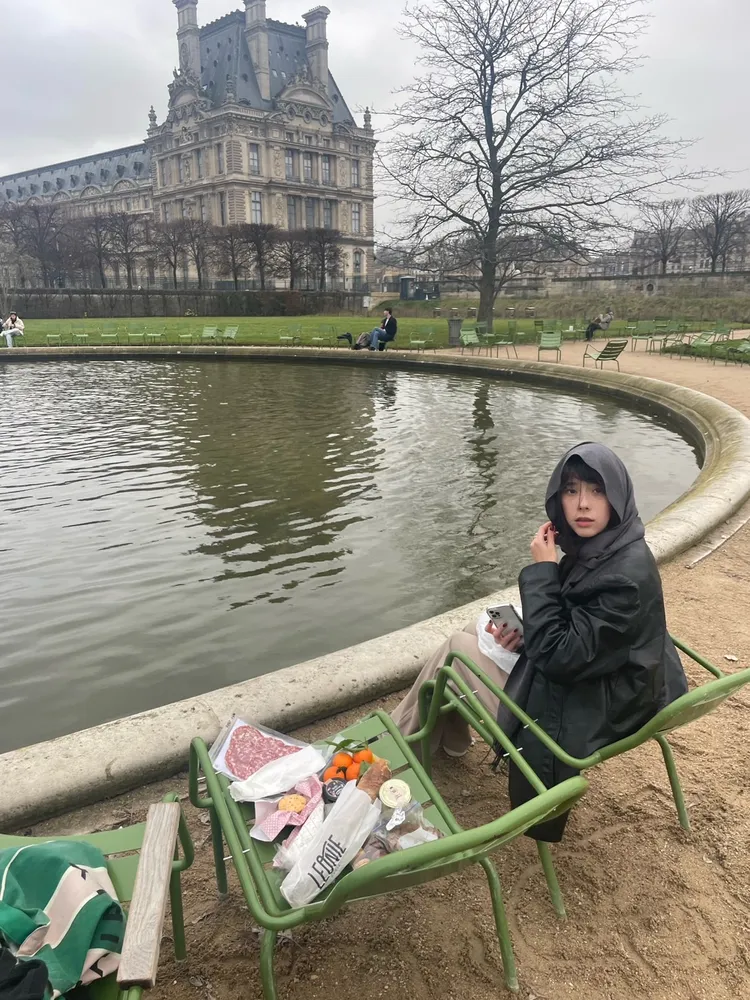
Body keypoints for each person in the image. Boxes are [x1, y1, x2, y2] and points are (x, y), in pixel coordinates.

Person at [392, 442, 689, 842]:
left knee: (455, 651)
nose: (582, 504)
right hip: (603, 682)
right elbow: (584, 638)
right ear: (557, 498)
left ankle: (400, 748)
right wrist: (525, 635)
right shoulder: (611, 548)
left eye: (597, 490)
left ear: (617, 497)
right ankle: (449, 741)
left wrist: (545, 572)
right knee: (471, 629)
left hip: (596, 711)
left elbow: (560, 657)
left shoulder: (623, 576)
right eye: (571, 490)